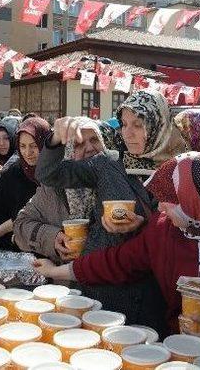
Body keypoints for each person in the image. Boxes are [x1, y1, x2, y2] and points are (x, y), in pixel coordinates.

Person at [34, 152, 200, 334]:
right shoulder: (162, 229)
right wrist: (54, 271)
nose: (160, 206)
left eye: (168, 198)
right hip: (179, 342)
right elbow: (115, 262)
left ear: (189, 199)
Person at [35, 116, 168, 335]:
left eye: (138, 125)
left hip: (142, 291)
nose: (129, 132)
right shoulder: (107, 164)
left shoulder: (172, 167)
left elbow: (172, 230)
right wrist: (56, 139)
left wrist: (144, 226)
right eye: (124, 125)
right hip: (95, 281)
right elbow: (47, 173)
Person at [13, 117, 106, 262]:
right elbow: (21, 225)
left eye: (94, 140)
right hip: (66, 280)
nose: (90, 148)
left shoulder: (115, 177)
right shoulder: (53, 187)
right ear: (68, 150)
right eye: (79, 144)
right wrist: (53, 238)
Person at [0, 117, 51, 250]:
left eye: (34, 146)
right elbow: (0, 213)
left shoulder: (56, 173)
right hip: (16, 247)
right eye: (22, 146)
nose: (28, 153)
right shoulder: (12, 174)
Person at [114, 89, 186, 173]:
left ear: (160, 127)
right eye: (124, 124)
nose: (127, 134)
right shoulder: (113, 167)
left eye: (138, 125)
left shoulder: (185, 169)